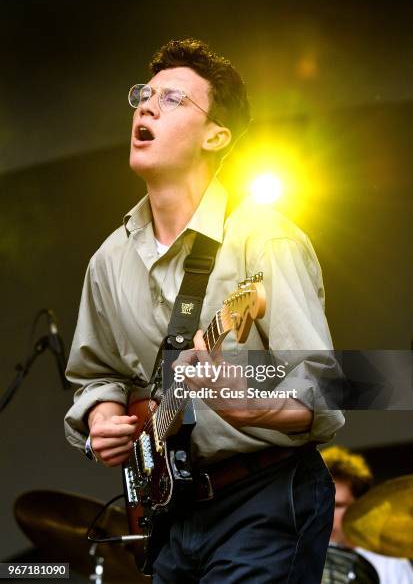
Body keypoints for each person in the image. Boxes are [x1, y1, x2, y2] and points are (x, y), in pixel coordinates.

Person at [64, 38, 345, 583]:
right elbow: (96, 375)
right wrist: (100, 417)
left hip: (265, 497)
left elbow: (326, 386)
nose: (145, 106)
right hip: (174, 512)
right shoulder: (107, 261)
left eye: (172, 99)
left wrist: (251, 406)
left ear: (217, 136)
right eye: (144, 96)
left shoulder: (265, 238)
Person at [321, 445, 413, 583]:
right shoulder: (299, 559)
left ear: (360, 510)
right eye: (320, 505)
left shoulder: (390, 564)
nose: (325, 514)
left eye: (337, 505)